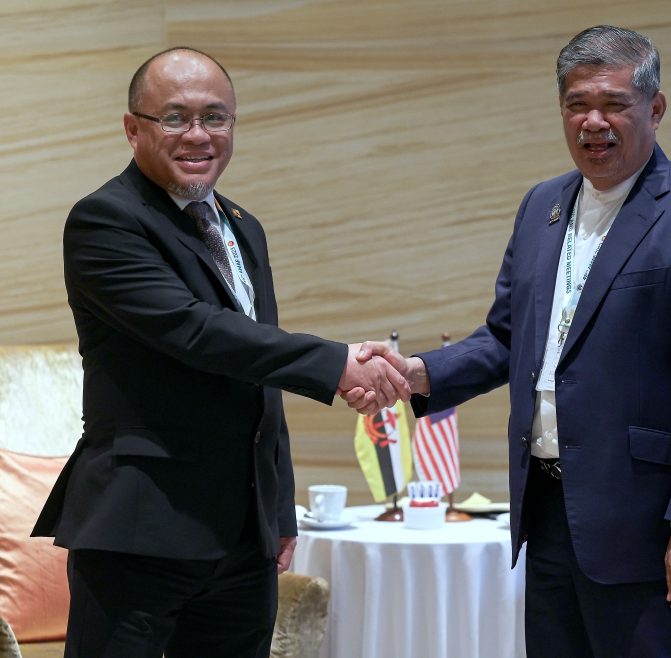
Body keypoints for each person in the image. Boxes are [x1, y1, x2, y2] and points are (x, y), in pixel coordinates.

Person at [348, 25, 671, 657]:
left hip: (645, 527)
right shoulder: (542, 204)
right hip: (547, 511)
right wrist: (417, 372)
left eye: (613, 104)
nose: (593, 121)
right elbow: (511, 339)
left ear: (655, 108)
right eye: (576, 105)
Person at [32, 46, 409, 658]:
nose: (198, 135)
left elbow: (254, 375)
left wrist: (278, 513)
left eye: (216, 117)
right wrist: (334, 363)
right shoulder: (106, 221)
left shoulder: (242, 225)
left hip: (241, 542)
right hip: (142, 532)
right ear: (133, 128)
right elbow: (195, 332)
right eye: (175, 118)